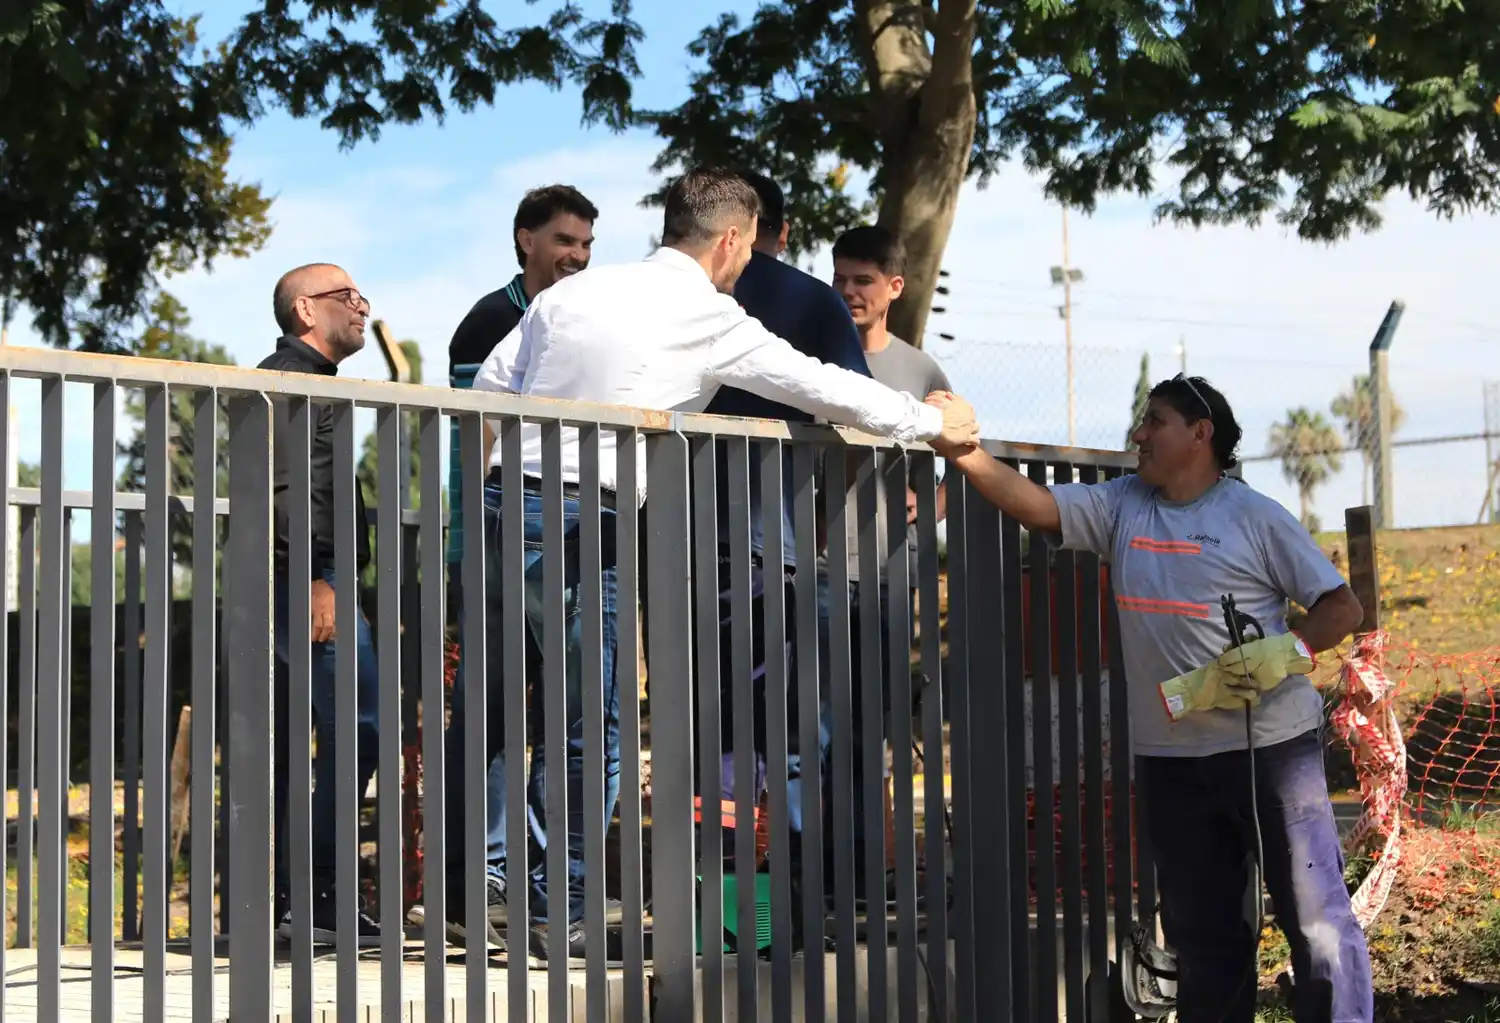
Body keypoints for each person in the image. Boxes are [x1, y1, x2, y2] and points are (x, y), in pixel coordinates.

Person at [465, 165, 979, 959]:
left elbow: (494, 386)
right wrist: (931, 425)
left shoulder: (573, 293)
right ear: (732, 240)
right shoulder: (711, 314)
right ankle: (556, 901)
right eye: (745, 252)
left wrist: (488, 494)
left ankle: (490, 884)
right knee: (592, 725)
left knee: (507, 703)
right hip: (587, 516)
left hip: (504, 505)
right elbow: (826, 389)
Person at [933, 374, 1372, 1022]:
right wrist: (964, 453)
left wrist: (1292, 649)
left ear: (1201, 433)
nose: (1138, 433)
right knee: (1204, 938)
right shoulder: (1122, 506)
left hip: (1272, 752)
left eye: (1155, 420)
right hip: (1171, 761)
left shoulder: (1254, 516)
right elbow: (1034, 503)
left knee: (1315, 921)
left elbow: (1343, 606)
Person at [433, 184, 603, 943]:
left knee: (564, 712)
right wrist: (465, 547)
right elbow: (479, 444)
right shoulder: (490, 320)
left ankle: (530, 874)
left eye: (587, 244)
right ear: (523, 239)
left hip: (571, 535)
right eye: (564, 239)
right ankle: (489, 871)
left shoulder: (584, 318)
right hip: (500, 537)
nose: (577, 255)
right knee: (494, 711)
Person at [698, 169, 873, 864]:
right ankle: (752, 895)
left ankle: (707, 886)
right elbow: (856, 415)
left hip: (668, 527)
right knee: (766, 723)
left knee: (696, 718)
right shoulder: (810, 298)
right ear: (782, 229)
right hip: (771, 536)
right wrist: (823, 515)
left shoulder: (676, 295)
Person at [822, 225, 955, 904]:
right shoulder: (816, 358)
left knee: (875, 722)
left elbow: (963, 449)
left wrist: (927, 504)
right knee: (818, 723)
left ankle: (876, 869)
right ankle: (825, 869)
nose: (849, 291)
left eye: (863, 281)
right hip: (817, 572)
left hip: (889, 574)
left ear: (895, 287)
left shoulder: (921, 368)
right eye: (840, 278)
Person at [261, 262, 383, 945]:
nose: (362, 306)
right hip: (307, 574)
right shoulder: (290, 381)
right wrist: (316, 577)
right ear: (307, 309)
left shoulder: (315, 384)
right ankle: (318, 894)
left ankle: (296, 898)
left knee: (308, 741)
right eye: (347, 297)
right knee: (360, 726)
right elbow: (287, 488)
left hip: (308, 572)